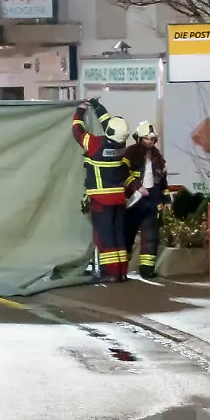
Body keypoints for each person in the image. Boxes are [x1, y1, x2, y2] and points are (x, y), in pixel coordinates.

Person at [72, 98, 132, 283]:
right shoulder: (120, 146)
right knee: (118, 233)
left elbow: (77, 131)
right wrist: (98, 107)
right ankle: (121, 271)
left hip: (101, 199)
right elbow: (109, 125)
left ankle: (111, 273)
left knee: (104, 235)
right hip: (118, 198)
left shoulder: (95, 144)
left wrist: (80, 111)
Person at [124, 121, 168, 279]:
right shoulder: (131, 153)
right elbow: (123, 173)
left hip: (152, 200)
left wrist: (166, 200)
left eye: (153, 139)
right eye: (147, 139)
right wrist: (136, 187)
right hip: (135, 200)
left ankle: (147, 270)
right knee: (127, 234)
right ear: (139, 138)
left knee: (151, 235)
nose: (150, 142)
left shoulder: (157, 157)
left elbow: (162, 180)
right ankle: (121, 268)